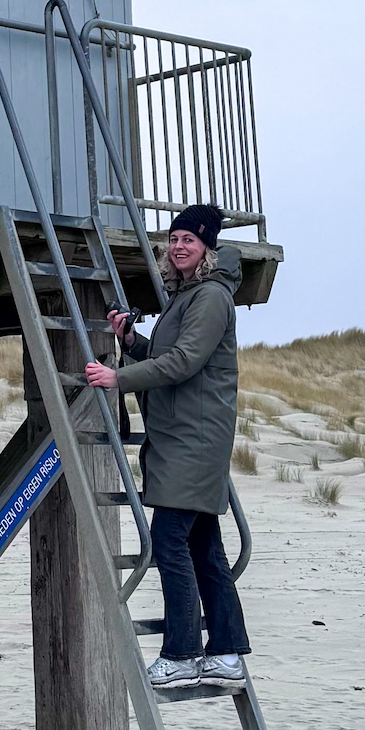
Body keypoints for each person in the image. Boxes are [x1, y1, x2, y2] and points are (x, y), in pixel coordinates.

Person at [84, 203, 249, 692]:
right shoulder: (190, 295)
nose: (178, 246)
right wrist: (131, 342)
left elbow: (183, 362)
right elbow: (164, 354)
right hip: (183, 437)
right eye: (174, 238)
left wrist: (117, 378)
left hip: (195, 441)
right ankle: (226, 654)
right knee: (203, 546)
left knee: (170, 542)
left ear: (207, 249)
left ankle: (181, 653)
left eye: (189, 240)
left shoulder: (212, 297)